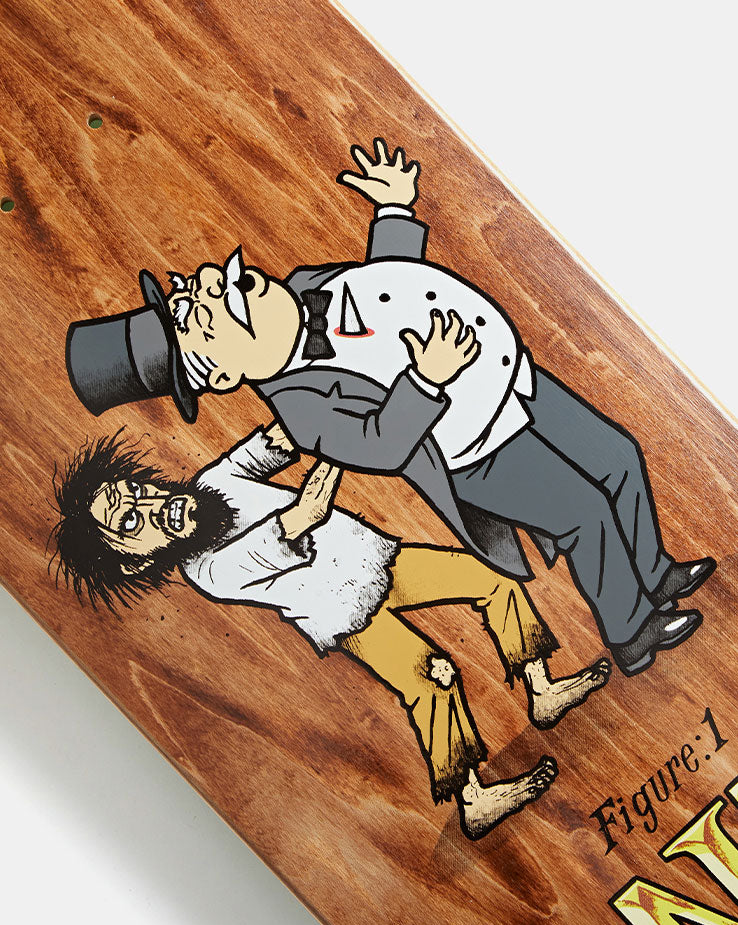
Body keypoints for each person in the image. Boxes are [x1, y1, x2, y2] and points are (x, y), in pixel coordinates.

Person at [65, 138, 714, 676]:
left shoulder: (306, 285)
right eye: (197, 315)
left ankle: (655, 572)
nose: (209, 280)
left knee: (618, 455)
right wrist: (426, 378)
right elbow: (382, 443)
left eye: (191, 291)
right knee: (583, 512)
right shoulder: (303, 409)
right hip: (477, 443)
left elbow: (390, 290)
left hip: (512, 378)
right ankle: (632, 629)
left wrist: (395, 211)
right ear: (221, 372)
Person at [50, 424, 612, 839]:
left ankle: (541, 689)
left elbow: (279, 439)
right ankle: (474, 800)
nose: (149, 505)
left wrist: (318, 413)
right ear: (137, 561)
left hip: (379, 558)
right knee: (433, 679)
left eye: (135, 491)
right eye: (130, 522)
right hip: (348, 612)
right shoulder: (211, 571)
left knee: (491, 578)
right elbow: (304, 516)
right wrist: (352, 440)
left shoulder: (213, 484)